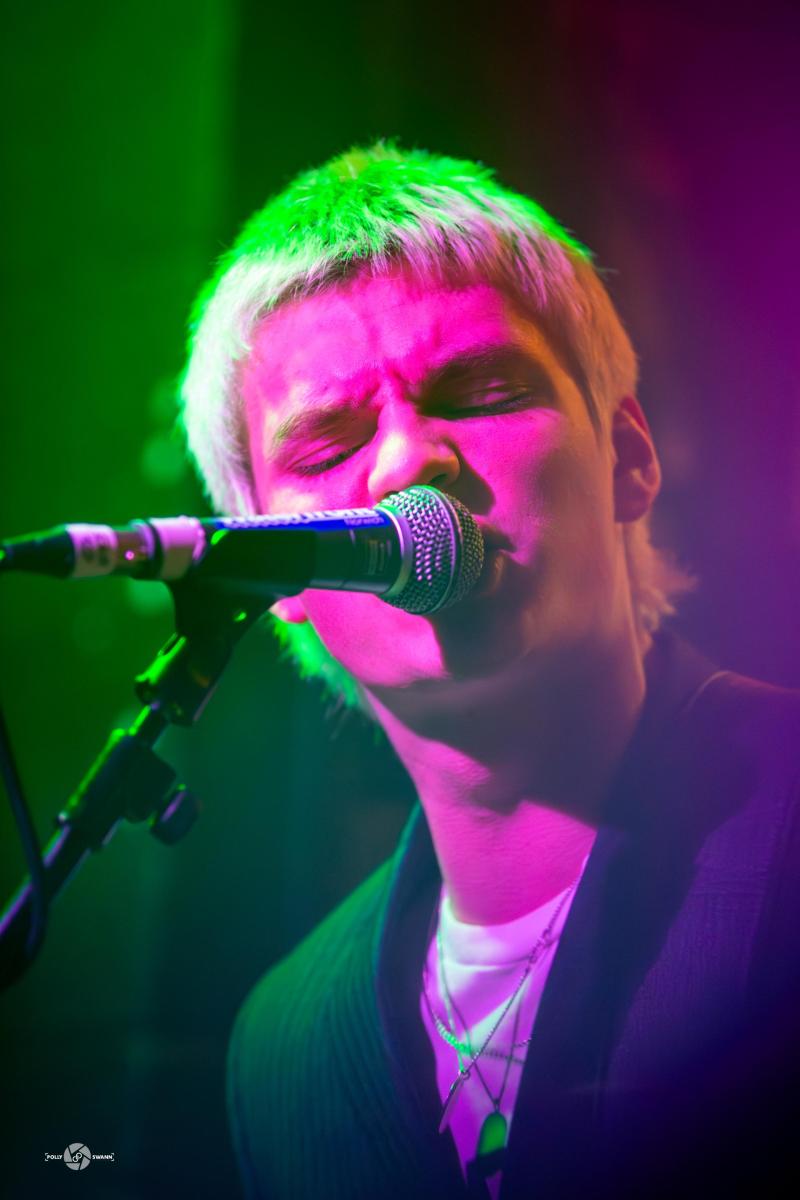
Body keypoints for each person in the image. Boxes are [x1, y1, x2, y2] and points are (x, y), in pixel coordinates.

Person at [180, 144, 800, 1199]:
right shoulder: (283, 1048)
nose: (405, 464)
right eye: (325, 446)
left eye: (478, 391)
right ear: (275, 575)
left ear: (627, 457)